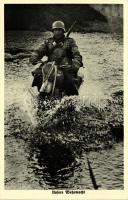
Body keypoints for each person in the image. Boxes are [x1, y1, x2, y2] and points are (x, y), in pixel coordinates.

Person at [29, 21, 83, 96]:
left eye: (59, 30)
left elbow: (76, 53)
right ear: (53, 31)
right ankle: (39, 92)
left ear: (63, 31)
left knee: (70, 81)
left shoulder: (70, 41)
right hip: (50, 66)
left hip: (65, 67)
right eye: (55, 30)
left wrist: (75, 64)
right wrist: (34, 57)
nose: (57, 32)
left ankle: (72, 100)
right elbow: (38, 51)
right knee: (38, 75)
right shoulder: (48, 42)